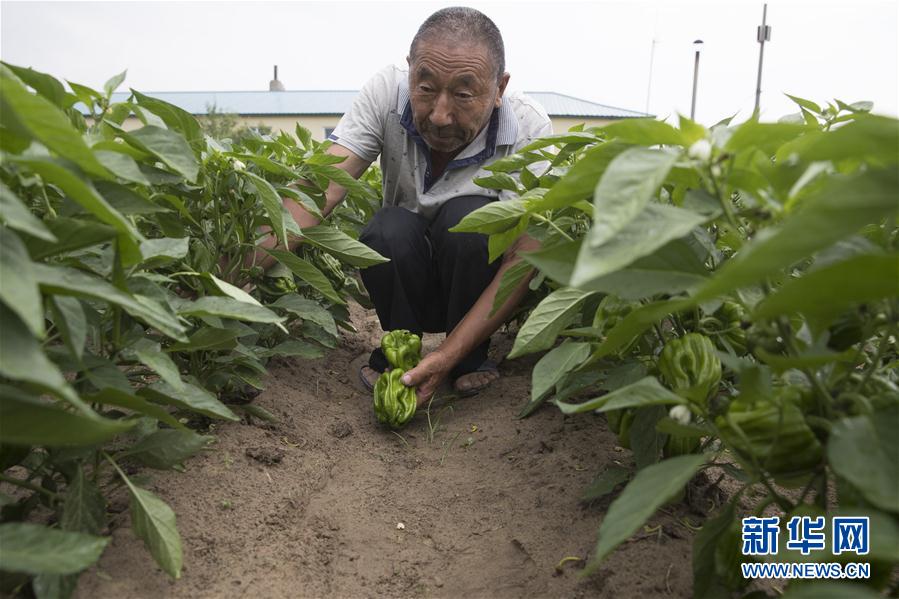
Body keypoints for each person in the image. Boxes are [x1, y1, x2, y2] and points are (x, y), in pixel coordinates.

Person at [266, 7, 552, 403]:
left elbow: (524, 258)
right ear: (410, 71)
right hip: (403, 278)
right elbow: (319, 190)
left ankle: (468, 357)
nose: (440, 115)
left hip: (472, 285)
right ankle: (400, 348)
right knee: (388, 229)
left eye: (464, 95)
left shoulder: (529, 126)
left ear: (499, 87)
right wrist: (230, 275)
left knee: (471, 221)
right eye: (426, 88)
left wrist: (448, 356)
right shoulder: (388, 91)